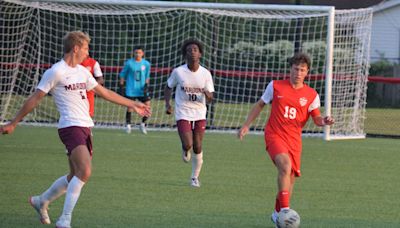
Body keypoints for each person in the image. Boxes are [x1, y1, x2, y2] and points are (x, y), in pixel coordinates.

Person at [0, 31, 151, 228]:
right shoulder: (56, 71)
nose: (88, 52)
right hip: (70, 127)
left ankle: (41, 201)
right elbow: (35, 98)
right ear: (76, 48)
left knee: (74, 175)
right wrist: (14, 122)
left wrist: (133, 104)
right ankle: (65, 219)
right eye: (86, 48)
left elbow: (103, 92)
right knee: (85, 171)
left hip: (85, 126)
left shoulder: (82, 72)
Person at [237, 53, 334, 225]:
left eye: (302, 70)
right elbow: (260, 104)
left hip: (294, 141)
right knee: (285, 165)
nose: (298, 72)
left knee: (289, 179)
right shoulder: (275, 86)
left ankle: (276, 213)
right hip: (274, 134)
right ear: (290, 69)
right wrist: (246, 125)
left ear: (307, 72)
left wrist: (324, 121)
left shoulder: (311, 95)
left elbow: (316, 118)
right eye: (296, 69)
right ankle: (285, 211)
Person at [164, 39, 214, 188]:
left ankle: (194, 177)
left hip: (199, 112)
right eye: (189, 50)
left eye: (195, 50)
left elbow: (211, 97)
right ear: (185, 54)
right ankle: (185, 149)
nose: (192, 52)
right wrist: (167, 104)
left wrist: (207, 94)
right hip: (183, 111)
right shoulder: (178, 72)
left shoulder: (205, 74)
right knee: (188, 143)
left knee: (198, 146)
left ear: (200, 54)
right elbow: (168, 87)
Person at [119, 46, 151, 134]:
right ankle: (128, 125)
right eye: (136, 52)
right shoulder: (129, 63)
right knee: (130, 107)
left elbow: (147, 76)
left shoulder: (146, 64)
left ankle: (143, 124)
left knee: (147, 106)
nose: (138, 54)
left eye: (139, 53)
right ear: (133, 53)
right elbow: (122, 75)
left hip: (142, 90)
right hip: (131, 89)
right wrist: (121, 87)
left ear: (143, 54)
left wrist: (146, 86)